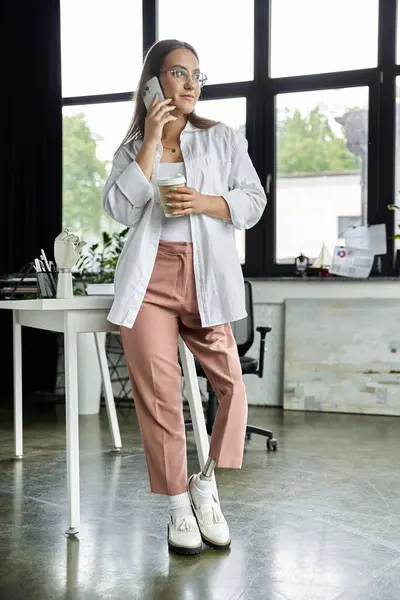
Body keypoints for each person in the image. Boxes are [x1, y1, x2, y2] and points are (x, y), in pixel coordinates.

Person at [102, 39, 267, 555]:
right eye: (180, 72)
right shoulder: (132, 149)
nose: (193, 83)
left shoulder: (221, 139)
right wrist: (150, 141)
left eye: (198, 74)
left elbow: (254, 199)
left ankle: (207, 484)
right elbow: (120, 211)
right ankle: (177, 508)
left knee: (232, 388)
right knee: (161, 397)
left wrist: (208, 202)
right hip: (149, 282)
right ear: (154, 82)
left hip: (206, 277)